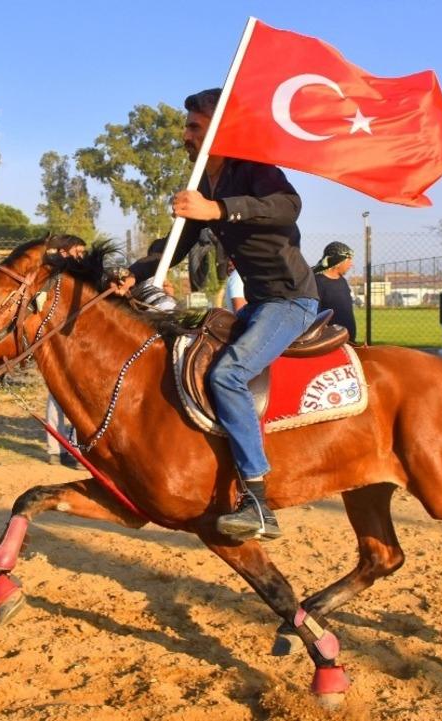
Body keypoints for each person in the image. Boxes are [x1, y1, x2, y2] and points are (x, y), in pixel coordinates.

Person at [126, 87, 319, 541]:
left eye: (195, 126)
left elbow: (288, 207)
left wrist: (219, 209)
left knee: (228, 375)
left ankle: (257, 501)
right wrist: (130, 275)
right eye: (187, 125)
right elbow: (173, 248)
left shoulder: (253, 169)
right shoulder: (202, 183)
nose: (185, 134)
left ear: (219, 129)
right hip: (257, 302)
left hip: (290, 299)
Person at [43, 235, 88, 469]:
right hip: (59, 342)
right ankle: (57, 450)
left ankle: (72, 449)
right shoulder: (52, 278)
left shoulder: (79, 277)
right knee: (61, 395)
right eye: (77, 251)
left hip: (77, 342)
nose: (81, 256)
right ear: (63, 253)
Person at [313, 241, 357, 342]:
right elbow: (315, 316)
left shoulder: (343, 281)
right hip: (329, 341)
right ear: (338, 261)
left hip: (348, 339)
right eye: (348, 260)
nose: (351, 264)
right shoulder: (317, 282)